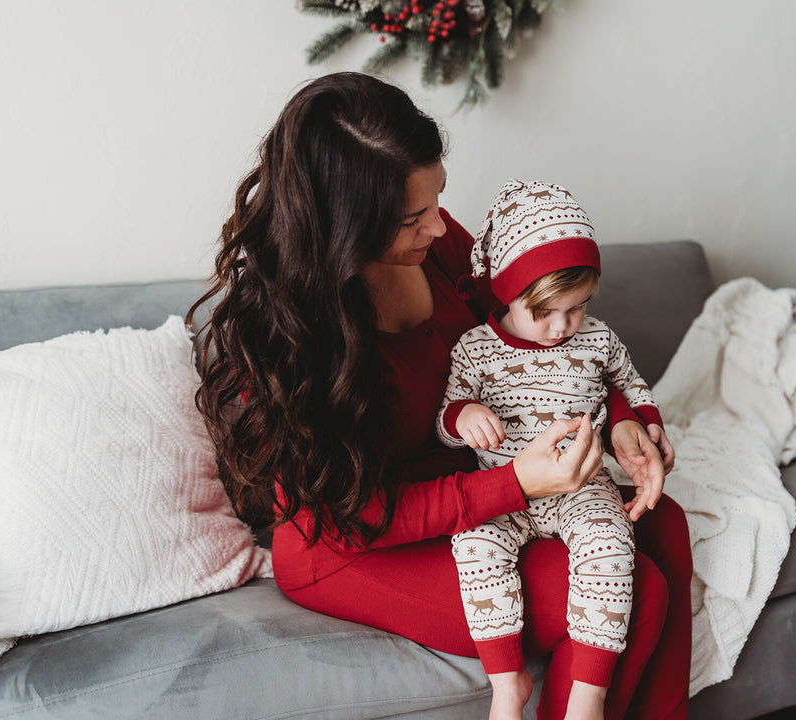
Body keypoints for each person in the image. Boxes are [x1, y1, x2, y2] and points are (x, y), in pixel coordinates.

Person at [188, 71, 691, 720]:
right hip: (354, 544)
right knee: (635, 590)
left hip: (478, 487)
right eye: (412, 218)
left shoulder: (438, 247)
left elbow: (538, 338)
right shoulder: (289, 343)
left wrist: (622, 419)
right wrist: (517, 485)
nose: (439, 226)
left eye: (437, 200)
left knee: (662, 522)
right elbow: (363, 516)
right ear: (345, 229)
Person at [436, 179, 665, 720]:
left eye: (578, 308)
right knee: (473, 548)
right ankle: (505, 681)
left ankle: (589, 697)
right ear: (506, 293)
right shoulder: (474, 350)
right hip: (504, 491)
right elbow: (446, 418)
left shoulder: (599, 340)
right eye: (546, 312)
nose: (563, 327)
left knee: (611, 544)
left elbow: (632, 387)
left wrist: (645, 424)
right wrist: (464, 417)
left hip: (582, 486)